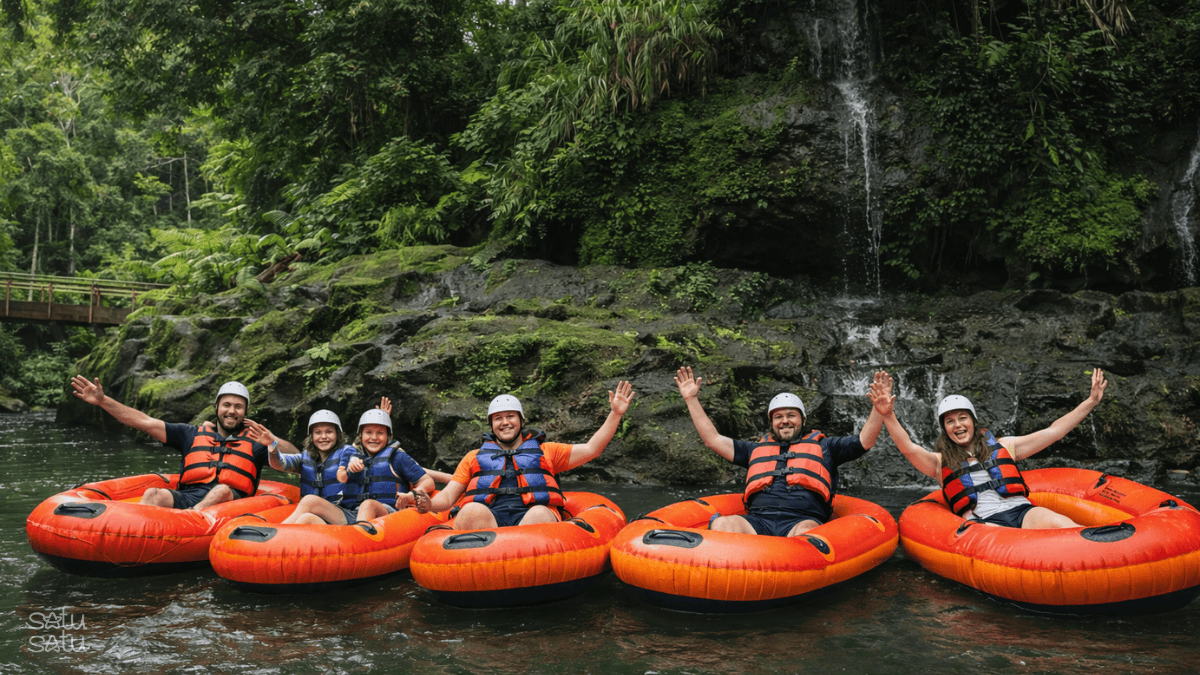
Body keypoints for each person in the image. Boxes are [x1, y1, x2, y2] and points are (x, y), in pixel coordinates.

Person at [868, 368, 1108, 529]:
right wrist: (887, 415)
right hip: (984, 522)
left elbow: (1054, 432)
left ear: (973, 421)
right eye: (950, 421)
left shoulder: (1005, 446)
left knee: (1065, 526)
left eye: (962, 418)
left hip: (1021, 511)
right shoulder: (938, 462)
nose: (958, 425)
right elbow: (907, 447)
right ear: (945, 429)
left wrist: (1091, 401)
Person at [673, 366, 887, 537]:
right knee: (722, 523)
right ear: (771, 422)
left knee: (808, 533)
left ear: (803, 420)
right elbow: (713, 440)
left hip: (801, 521)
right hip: (757, 521)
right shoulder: (755, 450)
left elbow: (864, 441)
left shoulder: (827, 447)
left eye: (791, 415)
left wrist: (878, 409)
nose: (785, 421)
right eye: (778, 417)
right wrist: (691, 399)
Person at [417, 382, 635, 529]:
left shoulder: (546, 451)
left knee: (539, 513)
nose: (504, 423)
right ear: (492, 425)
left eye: (510, 416)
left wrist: (615, 414)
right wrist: (430, 504)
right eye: (498, 418)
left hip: (532, 517)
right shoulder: (473, 457)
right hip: (490, 519)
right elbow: (447, 498)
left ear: (521, 421)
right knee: (470, 510)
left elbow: (591, 449)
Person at [69, 376, 281, 509]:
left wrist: (272, 441)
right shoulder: (189, 434)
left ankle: (189, 523)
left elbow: (294, 459)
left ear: (245, 412)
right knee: (153, 494)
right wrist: (103, 401)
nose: (232, 411)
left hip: (230, 503)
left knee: (221, 490)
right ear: (217, 407)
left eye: (238, 406)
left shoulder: (256, 442)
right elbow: (145, 422)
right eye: (226, 405)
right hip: (189, 496)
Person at [244, 409, 361, 525]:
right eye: (318, 432)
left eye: (329, 432)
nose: (323, 436)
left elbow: (359, 460)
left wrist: (355, 464)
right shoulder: (305, 458)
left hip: (346, 514)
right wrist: (272, 444)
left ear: (338, 434)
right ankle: (279, 540)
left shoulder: (348, 453)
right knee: (304, 519)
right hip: (325, 520)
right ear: (311, 436)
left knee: (310, 501)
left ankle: (277, 531)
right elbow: (279, 464)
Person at [337, 407, 443, 522]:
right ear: (360, 435)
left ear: (389, 436)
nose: (374, 437)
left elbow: (428, 481)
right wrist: (349, 469)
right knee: (314, 502)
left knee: (368, 505)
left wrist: (411, 495)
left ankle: (359, 534)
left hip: (385, 513)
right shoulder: (352, 456)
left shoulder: (398, 457)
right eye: (368, 432)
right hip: (351, 512)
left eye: (380, 433)